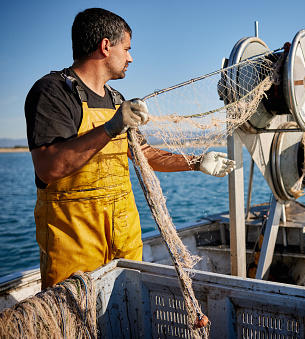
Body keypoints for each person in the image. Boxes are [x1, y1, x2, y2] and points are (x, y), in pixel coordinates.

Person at [24, 8, 235, 289]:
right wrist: (110, 127)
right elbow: (49, 167)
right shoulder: (52, 92)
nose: (131, 58)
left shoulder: (116, 100)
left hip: (125, 242)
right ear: (105, 46)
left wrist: (196, 162)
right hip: (74, 251)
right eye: (127, 49)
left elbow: (144, 154)